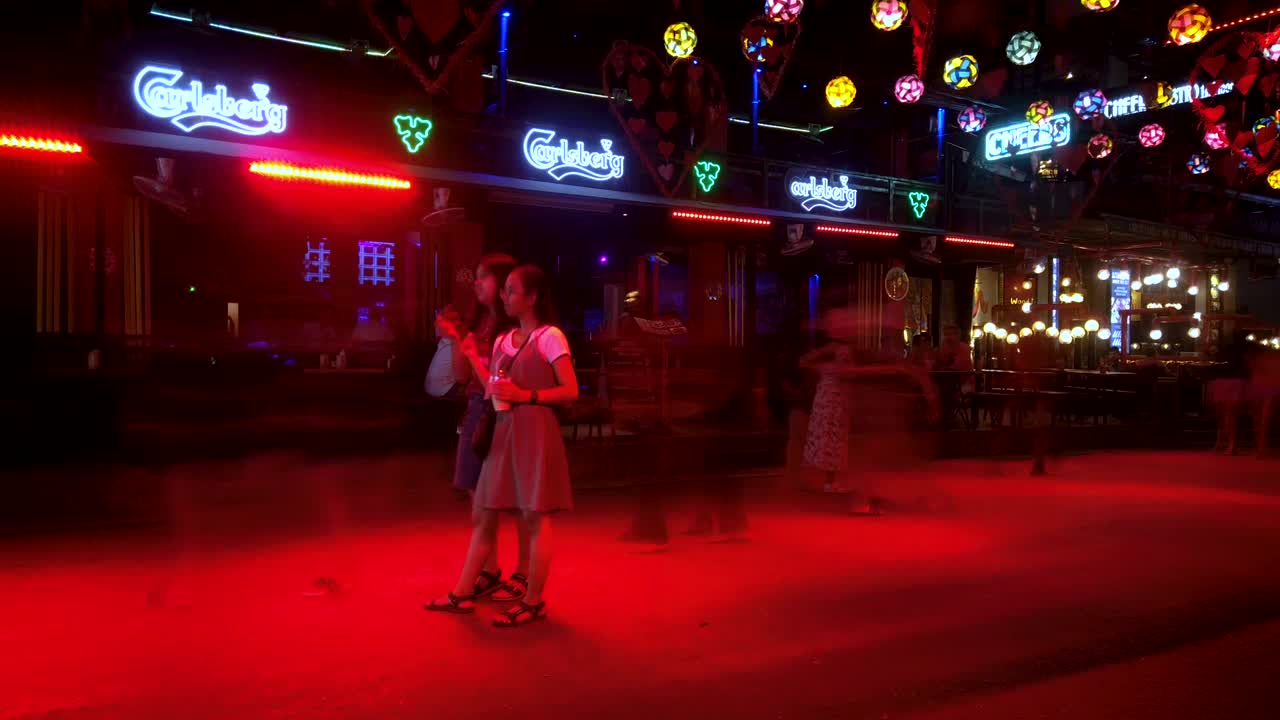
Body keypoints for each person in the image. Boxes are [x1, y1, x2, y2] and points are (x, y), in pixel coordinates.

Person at [428, 265, 579, 627]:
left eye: (512, 290)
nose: (505, 296)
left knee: (535, 516)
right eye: (505, 289)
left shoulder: (550, 337)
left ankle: (532, 601)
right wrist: (466, 349)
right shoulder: (502, 340)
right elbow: (493, 389)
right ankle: (461, 594)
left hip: (535, 430)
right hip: (505, 430)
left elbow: (570, 390)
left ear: (533, 297)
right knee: (485, 509)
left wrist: (525, 394)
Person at [433, 254, 532, 603]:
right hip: (477, 409)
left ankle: (522, 573)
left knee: (517, 499)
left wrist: (470, 351)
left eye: (484, 277)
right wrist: (458, 337)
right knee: (478, 497)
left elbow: (493, 382)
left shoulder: (514, 330)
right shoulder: (479, 323)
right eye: (476, 277)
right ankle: (490, 571)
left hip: (503, 412)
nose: (477, 283)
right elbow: (462, 376)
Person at [801, 311, 854, 494]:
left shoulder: (845, 348)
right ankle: (829, 481)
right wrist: (824, 370)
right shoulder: (832, 348)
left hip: (839, 396)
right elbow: (804, 361)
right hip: (830, 397)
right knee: (830, 438)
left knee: (834, 438)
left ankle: (831, 480)